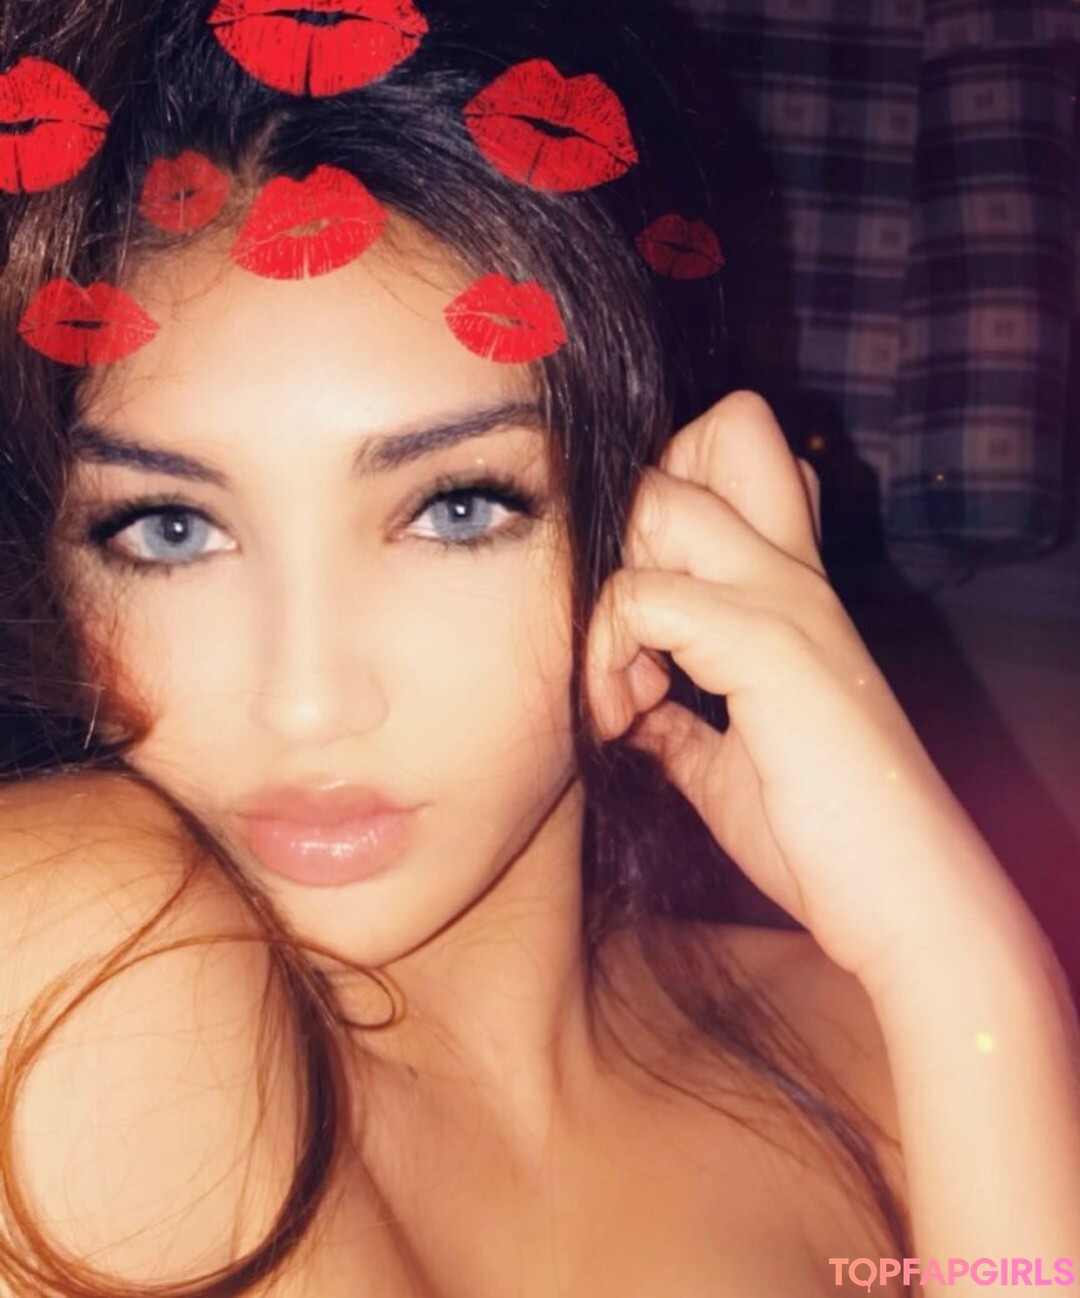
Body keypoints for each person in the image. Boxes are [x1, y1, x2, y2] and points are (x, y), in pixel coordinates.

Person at [0, 1, 1077, 1295]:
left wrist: (961, 964)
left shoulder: (893, 1039)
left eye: (459, 508)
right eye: (169, 528)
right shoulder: (74, 962)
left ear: (670, 525)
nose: (308, 700)